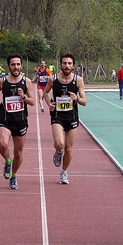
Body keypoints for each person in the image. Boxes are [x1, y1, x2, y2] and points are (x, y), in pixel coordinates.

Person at [0, 53, 35, 190]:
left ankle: (14, 176)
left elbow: (32, 102)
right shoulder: (3, 81)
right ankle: (7, 161)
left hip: (20, 121)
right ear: (8, 66)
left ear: (21, 65)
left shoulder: (27, 81)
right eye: (13, 64)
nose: (16, 67)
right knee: (3, 144)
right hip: (5, 119)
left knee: (18, 153)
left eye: (18, 64)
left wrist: (24, 97)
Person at [43, 53, 87, 184]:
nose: (67, 66)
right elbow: (45, 93)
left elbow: (84, 101)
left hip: (71, 116)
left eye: (69, 63)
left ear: (73, 65)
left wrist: (77, 98)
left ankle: (64, 172)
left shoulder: (78, 80)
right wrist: (49, 103)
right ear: (60, 65)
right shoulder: (53, 79)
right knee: (59, 144)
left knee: (69, 149)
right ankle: (58, 151)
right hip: (58, 115)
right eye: (64, 63)